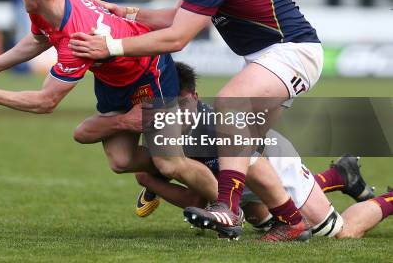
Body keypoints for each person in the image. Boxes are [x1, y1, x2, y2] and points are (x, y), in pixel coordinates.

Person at [68, 0, 323, 240]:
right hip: (272, 57)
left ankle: (228, 211)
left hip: (291, 53)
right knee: (241, 150)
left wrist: (111, 45)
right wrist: (128, 13)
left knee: (229, 104)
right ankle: (291, 221)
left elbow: (177, 38)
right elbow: (179, 16)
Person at [0, 0, 218, 202]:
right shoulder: (52, 3)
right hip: (114, 82)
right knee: (120, 160)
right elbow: (40, 39)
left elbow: (46, 101)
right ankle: (183, 163)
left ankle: (227, 205)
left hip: (149, 72)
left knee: (169, 162)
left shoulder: (77, 39)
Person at [75, 62, 390, 240]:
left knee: (339, 233)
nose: (176, 113)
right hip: (246, 182)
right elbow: (85, 134)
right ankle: (339, 175)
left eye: (182, 104)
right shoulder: (162, 124)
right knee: (261, 217)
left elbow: (196, 198)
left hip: (273, 162)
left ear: (195, 98)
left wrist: (152, 182)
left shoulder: (208, 128)